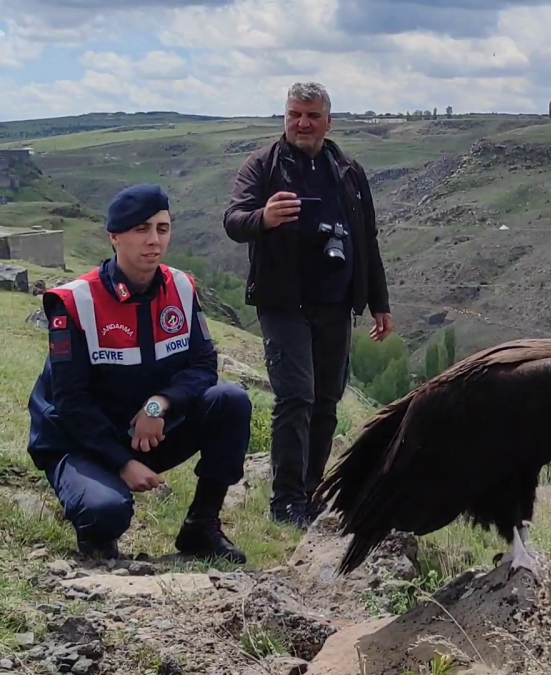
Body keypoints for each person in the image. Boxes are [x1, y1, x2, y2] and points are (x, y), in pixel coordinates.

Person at [27, 183, 252, 563]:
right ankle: (98, 540)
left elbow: (202, 366)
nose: (154, 240)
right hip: (80, 441)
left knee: (231, 401)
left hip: (147, 430)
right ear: (115, 237)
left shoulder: (181, 287)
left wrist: (159, 404)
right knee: (106, 511)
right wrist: (122, 463)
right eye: (141, 230)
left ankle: (202, 527)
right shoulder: (74, 302)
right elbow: (71, 403)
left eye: (162, 229)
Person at [223, 81, 392, 528]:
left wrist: (379, 302)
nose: (303, 123)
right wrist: (265, 217)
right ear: (284, 117)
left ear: (328, 121)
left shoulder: (348, 171)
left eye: (312, 115)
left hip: (336, 304)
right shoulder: (263, 166)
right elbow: (234, 221)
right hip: (282, 303)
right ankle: (285, 502)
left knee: (325, 401)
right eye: (295, 114)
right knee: (295, 397)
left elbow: (366, 239)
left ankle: (312, 493)